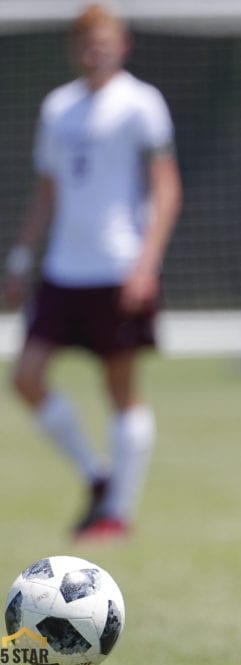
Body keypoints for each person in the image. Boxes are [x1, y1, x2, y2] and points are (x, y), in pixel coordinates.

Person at [3, 3, 182, 540]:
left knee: (120, 389)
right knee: (26, 377)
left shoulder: (141, 103)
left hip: (117, 266)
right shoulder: (58, 107)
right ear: (75, 48)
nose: (94, 49)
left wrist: (146, 264)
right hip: (62, 269)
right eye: (85, 41)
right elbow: (47, 191)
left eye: (104, 40)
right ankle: (98, 476)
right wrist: (20, 256)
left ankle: (118, 512)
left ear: (122, 44)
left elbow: (166, 188)